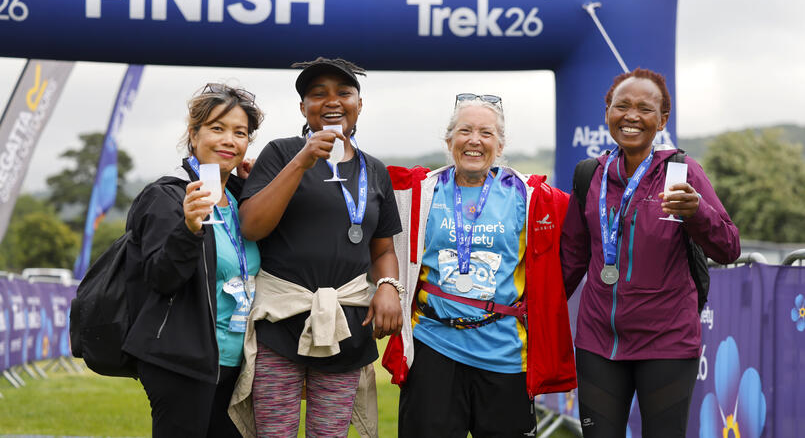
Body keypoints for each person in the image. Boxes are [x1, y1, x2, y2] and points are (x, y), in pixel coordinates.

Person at [382, 94, 577, 437]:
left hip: (504, 353)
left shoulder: (531, 196)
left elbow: (589, 224)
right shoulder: (419, 191)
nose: (474, 140)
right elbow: (362, 201)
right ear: (449, 141)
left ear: (500, 145)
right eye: (465, 131)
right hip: (434, 346)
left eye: (486, 133)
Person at [560, 68, 741, 437]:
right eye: (621, 106)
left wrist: (697, 213)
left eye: (644, 108)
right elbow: (572, 259)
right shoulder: (589, 175)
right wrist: (531, 311)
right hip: (599, 342)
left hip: (667, 345)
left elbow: (728, 248)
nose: (631, 116)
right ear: (607, 112)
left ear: (662, 120)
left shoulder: (681, 172)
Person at [229, 57, 403, 437]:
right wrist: (303, 159)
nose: (332, 101)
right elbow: (252, 226)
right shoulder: (280, 152)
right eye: (318, 94)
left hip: (345, 326)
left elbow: (382, 250)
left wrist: (390, 286)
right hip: (281, 322)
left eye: (344, 92)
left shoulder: (375, 171)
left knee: (330, 434)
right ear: (303, 108)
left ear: (360, 104)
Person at [122, 83, 264, 437]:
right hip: (182, 363)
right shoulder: (167, 196)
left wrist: (252, 187)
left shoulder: (238, 200)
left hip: (236, 364)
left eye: (240, 132)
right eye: (217, 128)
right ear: (193, 134)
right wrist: (188, 228)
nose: (229, 140)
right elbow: (159, 277)